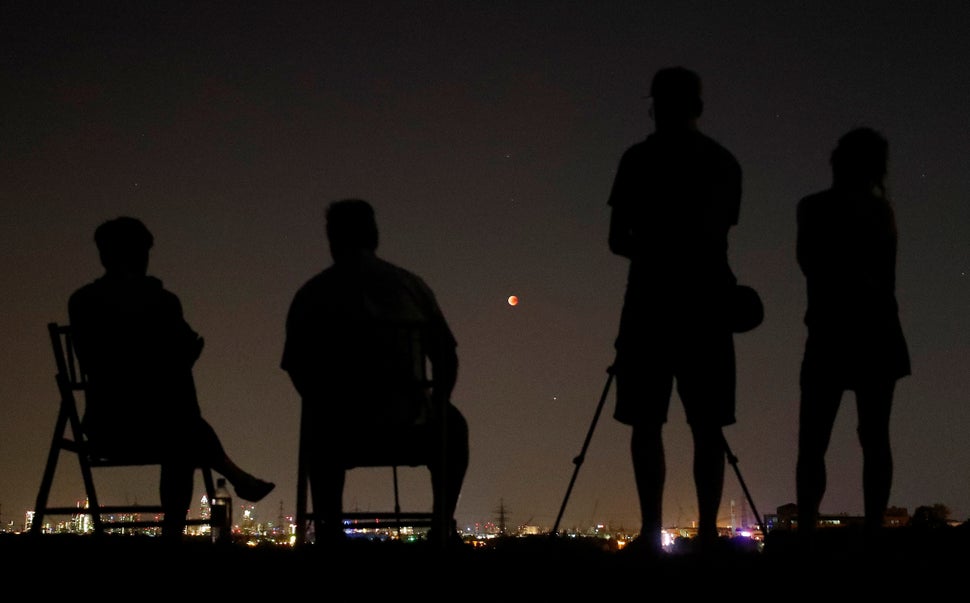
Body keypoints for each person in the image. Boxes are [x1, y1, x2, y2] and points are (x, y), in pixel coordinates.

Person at [68, 216, 275, 540]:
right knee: (184, 426)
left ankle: (230, 482)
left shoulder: (82, 302)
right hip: (147, 426)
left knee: (182, 425)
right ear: (140, 255)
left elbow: (98, 362)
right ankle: (180, 527)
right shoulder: (161, 303)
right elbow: (176, 351)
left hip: (105, 423)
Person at [607, 66, 743, 555]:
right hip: (707, 308)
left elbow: (618, 239)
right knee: (708, 426)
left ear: (655, 104)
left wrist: (655, 248)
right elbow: (720, 235)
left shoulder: (638, 160)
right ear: (698, 106)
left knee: (646, 424)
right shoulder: (723, 162)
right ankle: (707, 532)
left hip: (648, 307)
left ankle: (650, 531)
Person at [281, 198, 469, 548]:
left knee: (318, 429)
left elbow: (297, 366)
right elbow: (446, 356)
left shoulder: (313, 293)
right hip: (411, 426)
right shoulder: (411, 286)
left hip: (339, 429)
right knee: (454, 427)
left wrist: (322, 402)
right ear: (375, 236)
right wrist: (437, 403)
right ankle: (441, 524)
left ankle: (329, 530)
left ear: (332, 240)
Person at [795, 127, 910, 549]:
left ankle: (808, 527)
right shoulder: (882, 213)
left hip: (830, 333)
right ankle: (875, 529)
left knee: (814, 439)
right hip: (877, 333)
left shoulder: (812, 208)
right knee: (874, 437)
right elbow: (884, 280)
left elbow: (811, 265)